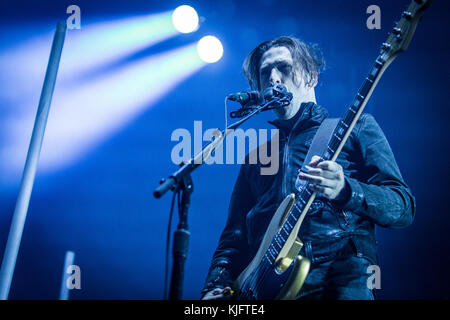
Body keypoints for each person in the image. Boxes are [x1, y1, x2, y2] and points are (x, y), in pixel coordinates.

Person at [201, 36, 415, 300]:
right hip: (260, 293)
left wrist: (346, 190)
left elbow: (403, 206)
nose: (273, 78)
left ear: (312, 76)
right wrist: (215, 286)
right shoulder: (255, 158)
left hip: (336, 285)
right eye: (265, 72)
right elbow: (233, 237)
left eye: (284, 67)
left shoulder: (355, 129)